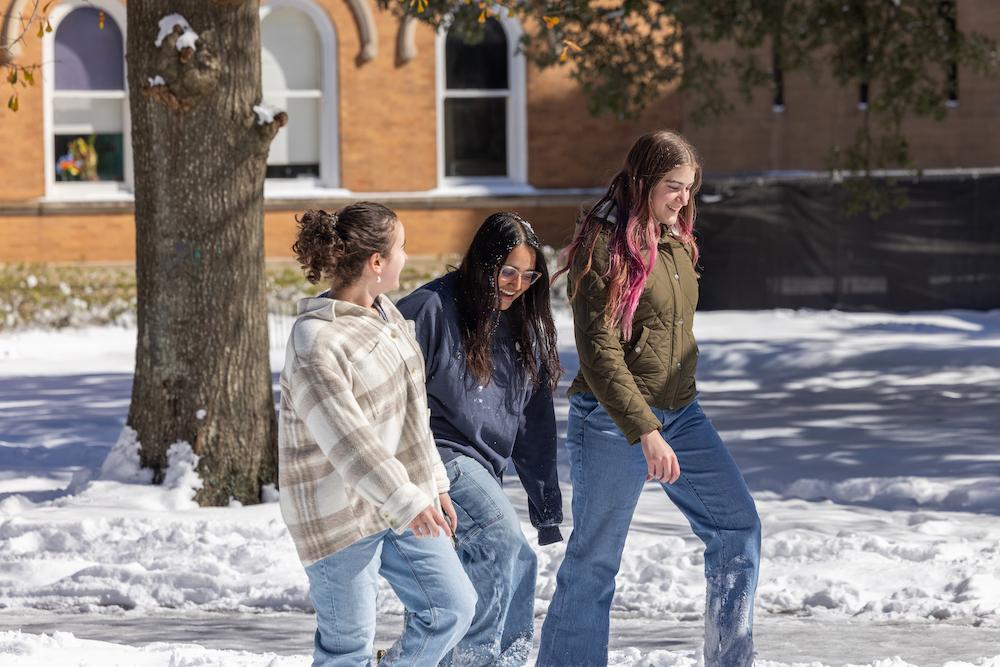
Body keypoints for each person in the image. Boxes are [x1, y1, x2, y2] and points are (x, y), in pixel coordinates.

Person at [536, 131, 761, 667]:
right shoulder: (603, 243)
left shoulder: (674, 239)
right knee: (595, 559)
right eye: (672, 186)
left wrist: (666, 420)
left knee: (737, 527)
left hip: (681, 411)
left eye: (689, 187)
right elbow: (600, 355)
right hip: (615, 419)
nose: (683, 198)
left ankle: (730, 660)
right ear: (643, 181)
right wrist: (646, 431)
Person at [278, 202, 476, 666]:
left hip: (403, 499)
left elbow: (412, 412)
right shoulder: (316, 341)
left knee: (451, 607)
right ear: (376, 262)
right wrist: (410, 501)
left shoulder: (387, 316)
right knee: (347, 647)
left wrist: (434, 483)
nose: (407, 256)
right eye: (401, 247)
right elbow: (350, 444)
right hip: (337, 512)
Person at [397, 212, 564, 666]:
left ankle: (493, 659)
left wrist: (546, 504)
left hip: (483, 467)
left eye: (528, 276)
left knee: (512, 562)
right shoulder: (430, 308)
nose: (516, 284)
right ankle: (477, 660)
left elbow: (534, 422)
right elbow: (386, 391)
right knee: (500, 543)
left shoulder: (524, 325)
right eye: (507, 272)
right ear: (483, 264)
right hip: (435, 453)